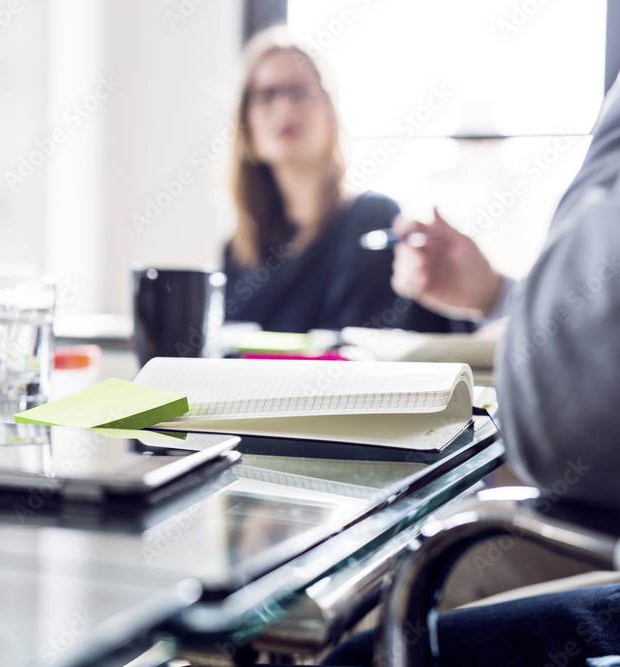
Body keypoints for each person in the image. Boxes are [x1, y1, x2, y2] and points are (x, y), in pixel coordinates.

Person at [322, 73, 620, 667]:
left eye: (298, 91)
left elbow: (566, 419)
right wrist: (496, 294)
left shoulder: (365, 216)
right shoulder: (243, 238)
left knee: (346, 623)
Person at [222, 26, 472, 334]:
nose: (285, 107)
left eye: (300, 91)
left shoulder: (372, 221)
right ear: (245, 122)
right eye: (267, 94)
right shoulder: (237, 253)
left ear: (330, 113)